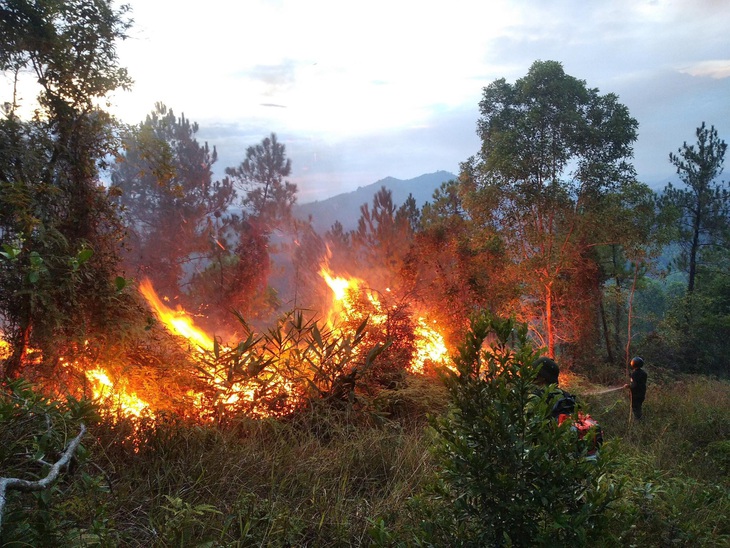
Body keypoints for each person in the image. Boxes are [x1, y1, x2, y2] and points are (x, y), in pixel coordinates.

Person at [624, 356, 648, 420]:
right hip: (642, 394)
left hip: (635, 395)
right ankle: (639, 421)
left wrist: (628, 386)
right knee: (638, 408)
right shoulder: (644, 373)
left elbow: (634, 385)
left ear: (633, 364)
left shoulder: (634, 374)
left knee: (636, 410)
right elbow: (639, 383)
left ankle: (639, 422)